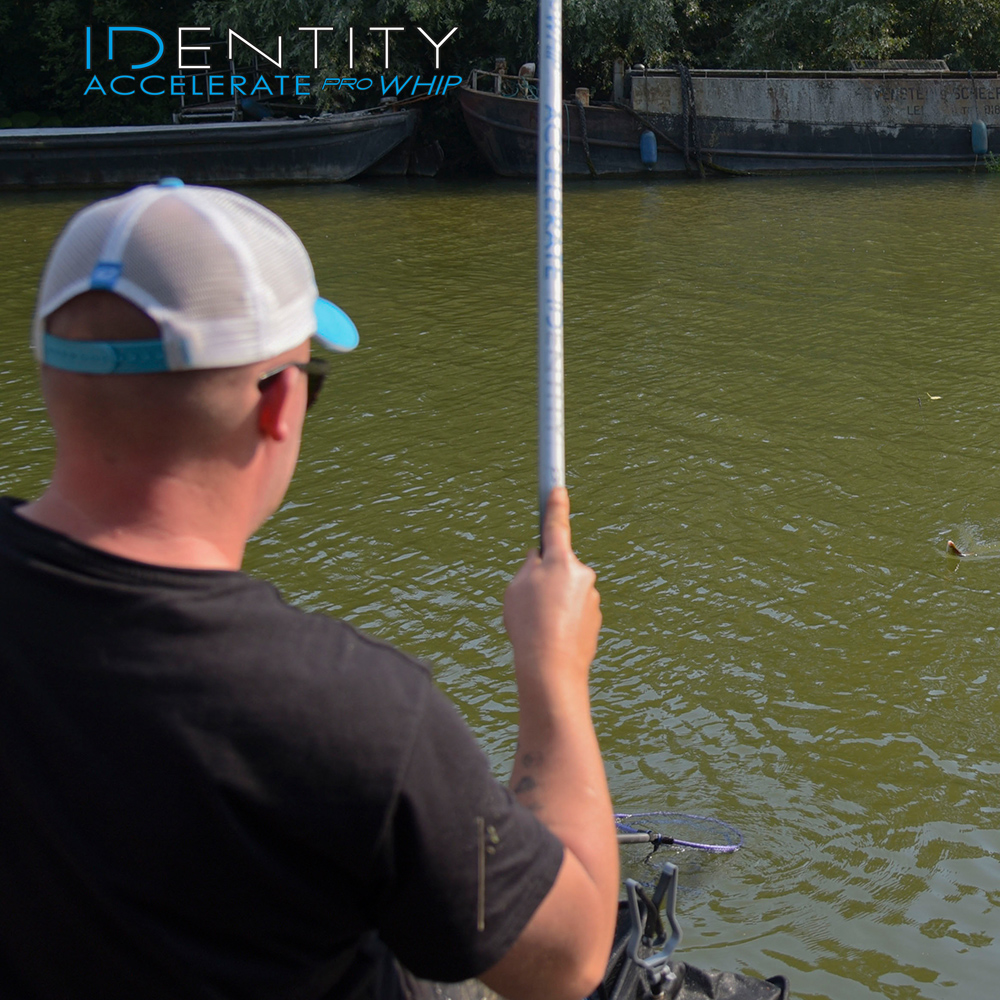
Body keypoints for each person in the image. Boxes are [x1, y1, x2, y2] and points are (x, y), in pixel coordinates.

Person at [0, 180, 619, 1000]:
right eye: (310, 376)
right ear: (281, 404)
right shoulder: (352, 715)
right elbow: (569, 957)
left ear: (50, 372)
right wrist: (554, 673)